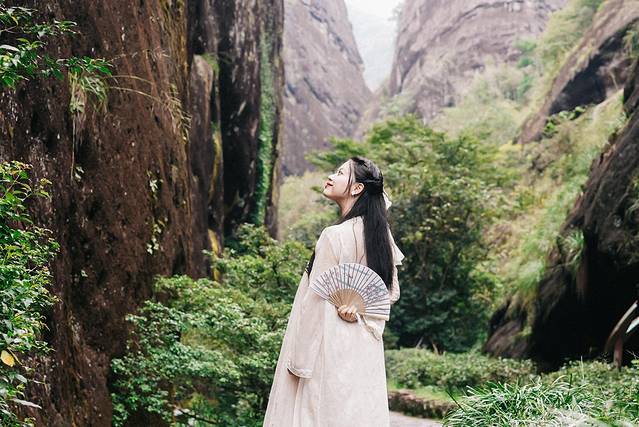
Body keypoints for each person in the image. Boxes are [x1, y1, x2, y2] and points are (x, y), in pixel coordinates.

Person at [263, 156, 405, 426]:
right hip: (363, 343)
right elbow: (388, 293)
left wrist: (298, 362)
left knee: (316, 414)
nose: (331, 176)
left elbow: (314, 301)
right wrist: (358, 310)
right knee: (355, 414)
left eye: (340, 173)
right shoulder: (379, 234)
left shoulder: (334, 235)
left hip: (327, 343)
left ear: (357, 188)